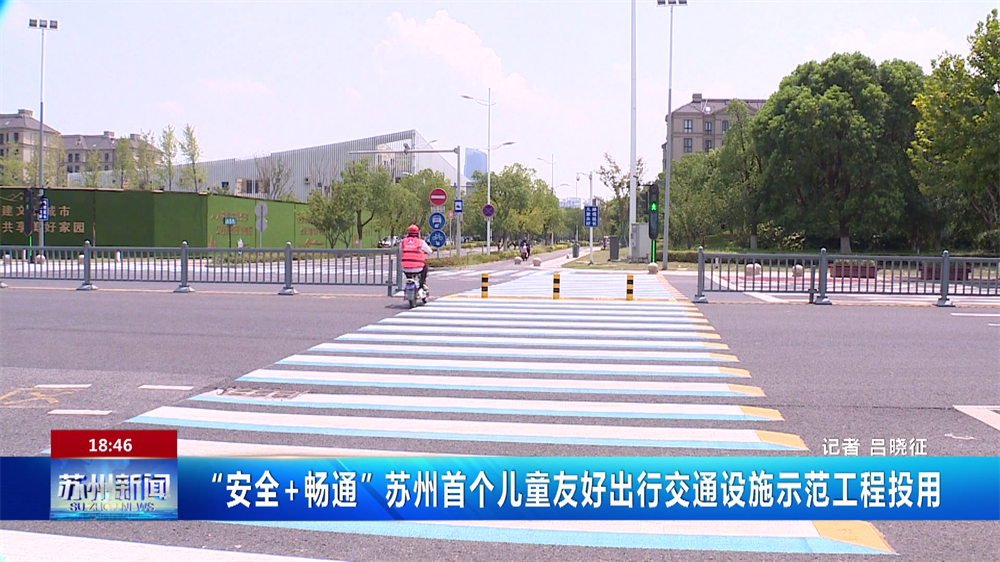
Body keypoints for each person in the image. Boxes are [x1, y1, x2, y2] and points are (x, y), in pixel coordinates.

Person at [401, 224, 432, 290]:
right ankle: (421, 284)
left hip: (405, 267)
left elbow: (400, 251)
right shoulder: (421, 242)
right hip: (418, 267)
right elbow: (429, 251)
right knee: (425, 267)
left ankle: (409, 282)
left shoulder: (403, 241)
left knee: (409, 275)